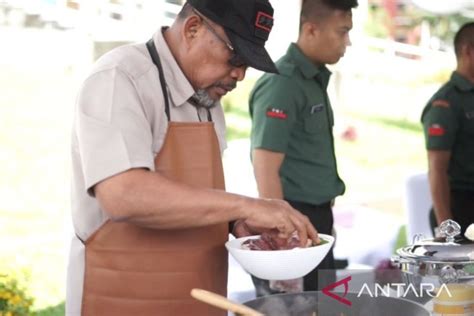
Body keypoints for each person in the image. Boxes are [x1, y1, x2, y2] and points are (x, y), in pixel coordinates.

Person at [66, 0, 319, 315]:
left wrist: (236, 222)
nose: (239, 74)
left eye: (247, 64)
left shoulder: (207, 98)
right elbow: (123, 194)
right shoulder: (120, 78)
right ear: (193, 28)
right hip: (123, 301)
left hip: (200, 301)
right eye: (235, 57)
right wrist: (247, 205)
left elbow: (191, 192)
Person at [248, 0, 358, 295]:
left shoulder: (313, 78)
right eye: (342, 31)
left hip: (315, 219)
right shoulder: (283, 82)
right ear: (311, 30)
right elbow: (265, 166)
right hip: (292, 220)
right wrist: (283, 241)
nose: (347, 41)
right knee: (296, 307)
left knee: (325, 305)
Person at [422, 22, 474, 237]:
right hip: (461, 207)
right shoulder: (445, 103)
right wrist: (446, 229)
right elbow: (437, 169)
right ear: (468, 51)